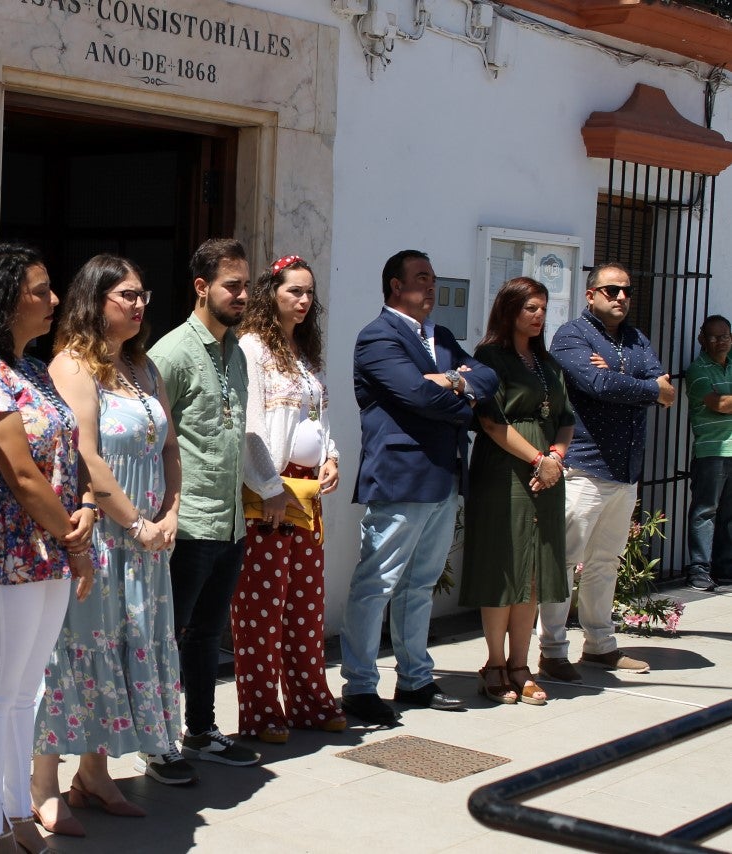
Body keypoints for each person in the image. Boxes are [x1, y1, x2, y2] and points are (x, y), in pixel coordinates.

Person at [33, 254, 184, 835]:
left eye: (143, 295)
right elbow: (86, 455)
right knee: (76, 650)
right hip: (106, 537)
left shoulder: (143, 368)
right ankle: (43, 784)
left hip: (147, 540)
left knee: (121, 650)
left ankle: (94, 774)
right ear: (95, 301)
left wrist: (171, 511)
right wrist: (136, 523)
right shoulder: (74, 365)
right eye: (127, 295)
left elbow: (170, 446)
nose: (140, 304)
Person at [0, 244, 97, 854]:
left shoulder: (34, 370)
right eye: (40, 290)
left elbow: (69, 458)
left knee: (26, 690)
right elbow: (21, 472)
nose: (54, 300)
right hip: (5, 547)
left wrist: (87, 508)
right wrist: (79, 545)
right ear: (5, 299)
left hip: (49, 547)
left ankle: (17, 811)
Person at [340, 249, 498, 726]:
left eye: (432, 278)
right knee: (378, 582)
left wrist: (449, 381)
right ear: (394, 286)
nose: (431, 287)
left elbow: (488, 377)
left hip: (444, 475)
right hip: (401, 477)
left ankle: (415, 679)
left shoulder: (442, 337)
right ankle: (360, 685)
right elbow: (415, 395)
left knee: (421, 583)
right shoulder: (377, 337)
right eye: (421, 278)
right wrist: (460, 394)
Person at [147, 237, 261, 771]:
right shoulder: (169, 353)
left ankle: (199, 729)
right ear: (201, 287)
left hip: (229, 522)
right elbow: (151, 436)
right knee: (166, 636)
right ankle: (157, 740)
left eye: (246, 285)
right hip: (187, 522)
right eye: (231, 286)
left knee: (208, 635)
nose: (242, 295)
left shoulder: (235, 350)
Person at [538, 263, 674, 681]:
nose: (620, 297)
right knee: (564, 559)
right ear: (590, 294)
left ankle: (599, 645)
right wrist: (643, 386)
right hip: (585, 465)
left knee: (605, 563)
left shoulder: (635, 338)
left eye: (626, 291)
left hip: (625, 469)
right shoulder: (572, 336)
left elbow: (665, 384)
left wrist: (623, 376)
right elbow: (598, 385)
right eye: (611, 290)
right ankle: (553, 651)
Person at [234, 254, 345, 742]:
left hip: (307, 492)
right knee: (262, 606)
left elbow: (318, 417)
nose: (303, 300)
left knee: (304, 603)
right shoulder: (252, 349)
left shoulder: (304, 352)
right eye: (293, 291)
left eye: (308, 293)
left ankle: (309, 701)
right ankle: (262, 711)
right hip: (271, 491)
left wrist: (332, 455)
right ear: (270, 293)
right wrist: (270, 486)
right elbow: (249, 427)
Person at [459, 277, 575, 706]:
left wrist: (556, 459)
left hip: (547, 473)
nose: (539, 315)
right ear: (509, 310)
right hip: (505, 471)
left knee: (532, 571)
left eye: (543, 308)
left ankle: (520, 665)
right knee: (503, 564)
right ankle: (493, 663)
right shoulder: (489, 357)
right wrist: (537, 460)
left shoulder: (548, 363)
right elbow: (491, 422)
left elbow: (565, 417)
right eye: (531, 308)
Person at [682, 314, 732, 591]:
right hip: (711, 451)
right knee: (705, 511)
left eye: (724, 336)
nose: (720, 341)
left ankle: (725, 568)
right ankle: (699, 570)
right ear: (702, 339)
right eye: (713, 337)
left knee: (729, 513)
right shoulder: (697, 369)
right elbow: (720, 403)